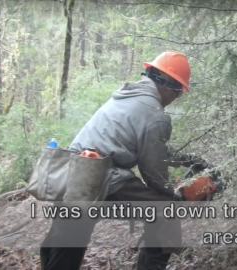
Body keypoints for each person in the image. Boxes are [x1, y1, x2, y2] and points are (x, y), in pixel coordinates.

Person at [40, 50, 207, 270]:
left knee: (66, 237)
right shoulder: (154, 114)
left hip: (70, 169)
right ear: (168, 85)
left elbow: (153, 147)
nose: (176, 99)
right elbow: (153, 170)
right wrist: (174, 198)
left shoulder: (126, 96)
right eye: (178, 93)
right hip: (100, 173)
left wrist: (190, 160)